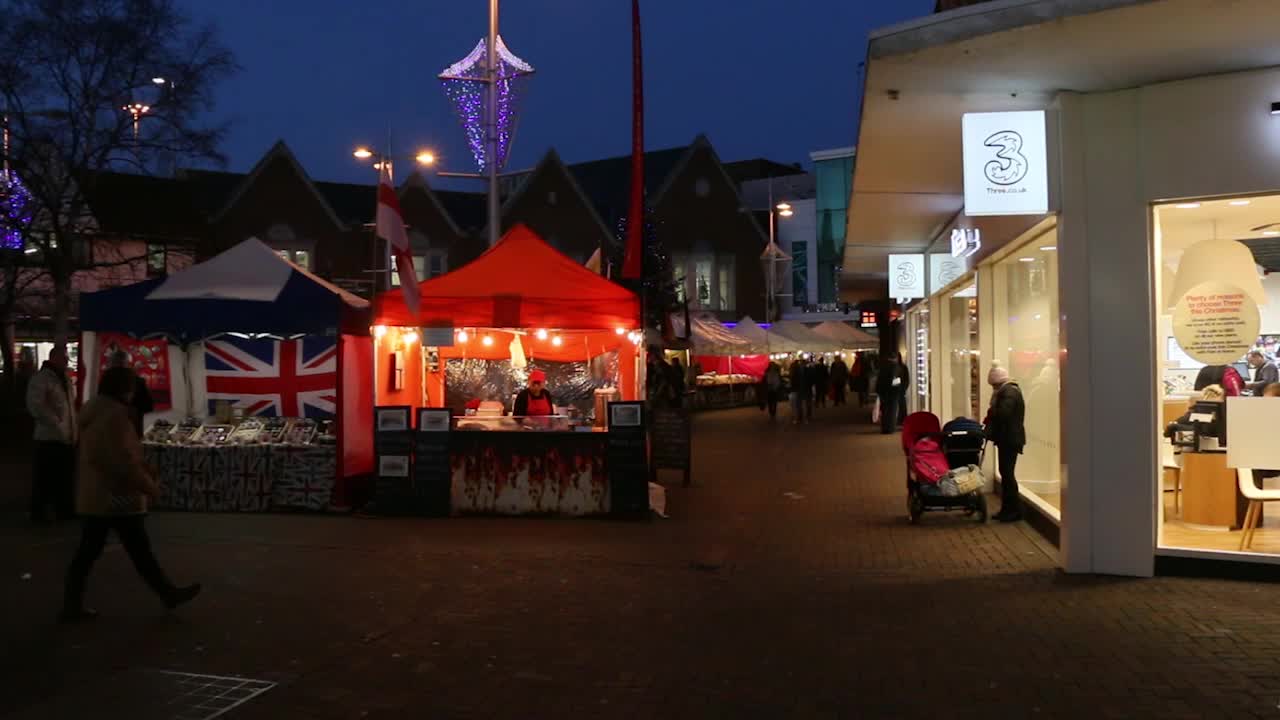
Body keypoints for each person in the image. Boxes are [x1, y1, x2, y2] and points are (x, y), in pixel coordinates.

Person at [61, 366, 200, 622]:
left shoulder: (96, 409)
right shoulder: (114, 415)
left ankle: (166, 592)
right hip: (115, 495)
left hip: (101, 493)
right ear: (123, 388)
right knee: (127, 549)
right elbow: (121, 461)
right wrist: (149, 486)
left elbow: (118, 455)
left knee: (106, 551)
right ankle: (166, 593)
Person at [26, 344, 77, 523]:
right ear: (54, 358)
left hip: (64, 436)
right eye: (63, 358)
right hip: (48, 437)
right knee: (45, 478)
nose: (66, 361)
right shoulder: (42, 379)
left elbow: (69, 406)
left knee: (62, 477)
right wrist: (56, 422)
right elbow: (35, 406)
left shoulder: (64, 379)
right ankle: (39, 513)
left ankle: (63, 510)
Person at [985, 365, 1027, 523]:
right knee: (1006, 474)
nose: (993, 388)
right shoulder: (1009, 391)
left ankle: (1013, 511)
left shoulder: (1008, 393)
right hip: (1008, 438)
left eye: (993, 385)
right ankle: (1010, 509)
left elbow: (1004, 414)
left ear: (998, 382)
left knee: (1007, 475)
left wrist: (992, 410)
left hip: (1010, 439)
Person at [108, 350, 153, 437]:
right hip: (132, 431)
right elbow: (149, 406)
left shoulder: (106, 382)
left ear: (111, 364)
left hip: (112, 432)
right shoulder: (138, 381)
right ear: (127, 363)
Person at [875, 353, 908, 434]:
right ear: (895, 358)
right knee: (892, 410)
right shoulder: (896, 367)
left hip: (883, 392)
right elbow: (896, 380)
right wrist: (898, 389)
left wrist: (878, 391)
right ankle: (890, 428)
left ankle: (884, 427)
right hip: (893, 392)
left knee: (884, 410)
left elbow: (879, 380)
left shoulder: (883, 367)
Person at [789, 357, 810, 424]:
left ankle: (802, 418)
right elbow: (793, 381)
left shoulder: (806, 370)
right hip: (797, 389)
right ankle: (799, 418)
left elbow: (809, 380)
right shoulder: (796, 371)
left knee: (802, 405)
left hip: (802, 389)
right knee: (798, 405)